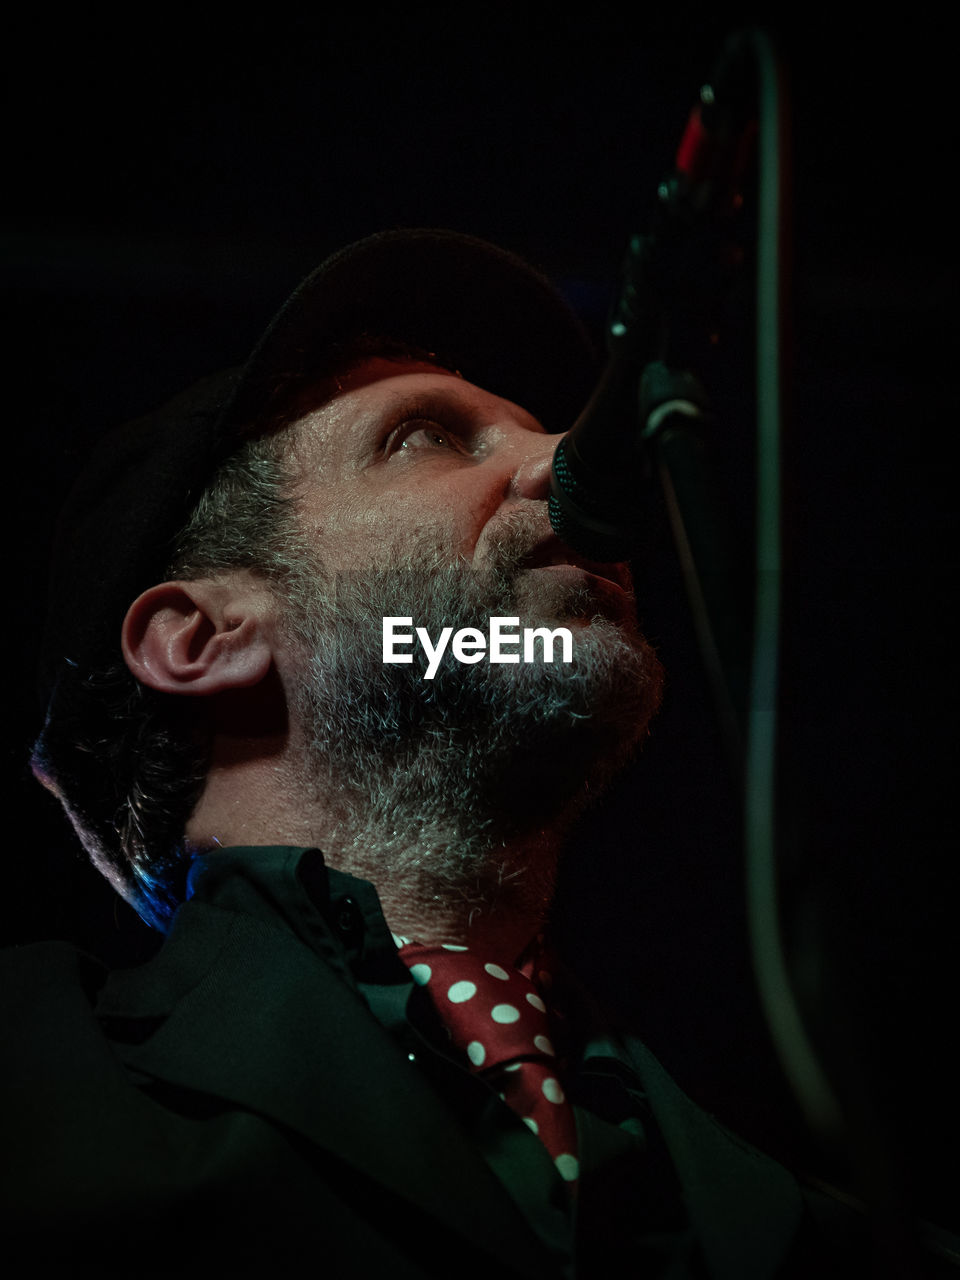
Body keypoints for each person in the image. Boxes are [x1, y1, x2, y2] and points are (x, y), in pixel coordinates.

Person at [3, 229, 864, 1277]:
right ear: (199, 637)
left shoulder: (816, 1228)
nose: (561, 465)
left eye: (541, 430)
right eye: (423, 437)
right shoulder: (33, 1088)